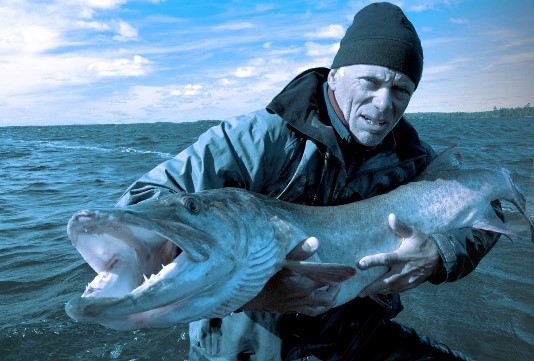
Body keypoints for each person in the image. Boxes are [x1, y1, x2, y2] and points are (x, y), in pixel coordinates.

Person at [117, 2, 502, 360]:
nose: (385, 104)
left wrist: (438, 255)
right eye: (371, 82)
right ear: (334, 76)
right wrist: (262, 294)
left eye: (401, 90)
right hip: (248, 347)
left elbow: (489, 210)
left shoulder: (411, 157)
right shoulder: (259, 138)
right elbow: (138, 208)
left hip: (357, 336)